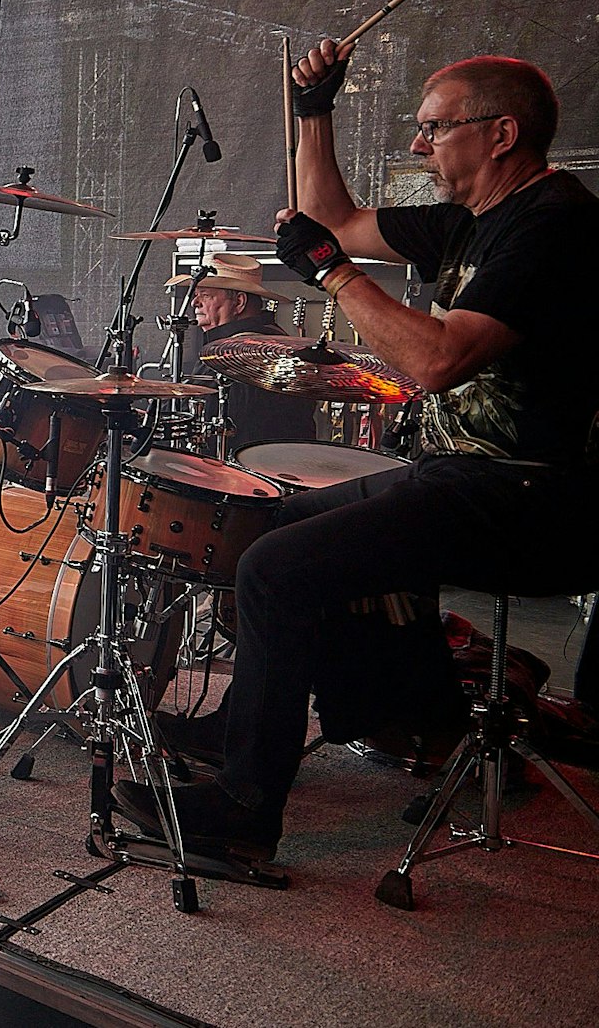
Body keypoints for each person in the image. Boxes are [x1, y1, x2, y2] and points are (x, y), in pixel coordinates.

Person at [115, 43, 599, 863]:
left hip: (532, 493)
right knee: (263, 528)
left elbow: (438, 358)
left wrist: (335, 275)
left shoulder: (553, 227)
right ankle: (383, 714)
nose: (418, 146)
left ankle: (245, 813)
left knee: (278, 569)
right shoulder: (467, 221)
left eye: (434, 129)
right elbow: (331, 221)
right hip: (461, 479)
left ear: (501, 133)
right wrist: (315, 112)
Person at [170, 254, 318, 449]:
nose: (194, 303)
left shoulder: (236, 354)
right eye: (196, 294)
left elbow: (203, 422)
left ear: (239, 302)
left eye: (205, 295)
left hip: (239, 472)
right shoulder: (275, 341)